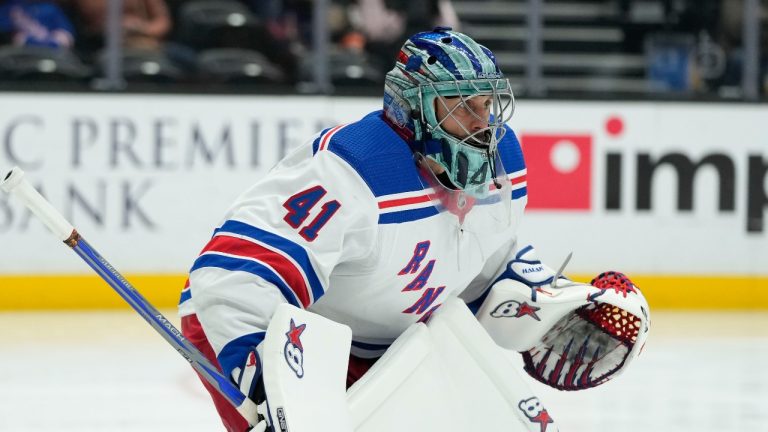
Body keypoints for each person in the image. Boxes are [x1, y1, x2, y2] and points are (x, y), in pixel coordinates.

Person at [178, 28, 646, 432]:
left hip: (393, 345)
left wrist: (546, 309)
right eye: (463, 108)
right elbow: (237, 277)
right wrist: (269, 385)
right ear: (412, 108)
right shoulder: (352, 171)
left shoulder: (505, 164)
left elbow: (481, 269)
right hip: (268, 331)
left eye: (487, 105)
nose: (484, 126)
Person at [0, 0, 75, 49]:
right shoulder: (10, 8)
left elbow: (66, 37)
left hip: (54, 59)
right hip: (17, 60)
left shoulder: (51, 8)